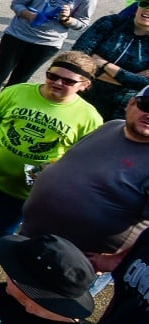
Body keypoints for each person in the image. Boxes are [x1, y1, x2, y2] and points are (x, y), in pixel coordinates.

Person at [0, 51, 103, 244]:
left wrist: (50, 178)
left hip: (28, 191)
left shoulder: (89, 118)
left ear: (85, 85)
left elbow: (81, 161)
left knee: (0, 237)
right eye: (52, 76)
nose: (58, 83)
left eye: (68, 81)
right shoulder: (17, 92)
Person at [22, 88, 149, 269]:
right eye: (147, 105)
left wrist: (117, 261)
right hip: (34, 237)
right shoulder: (111, 126)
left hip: (73, 265)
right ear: (130, 104)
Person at [74, 0, 149, 120]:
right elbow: (77, 57)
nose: (147, 9)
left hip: (121, 108)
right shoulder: (111, 23)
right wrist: (126, 79)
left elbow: (144, 83)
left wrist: (103, 63)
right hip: (82, 93)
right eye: (144, 3)